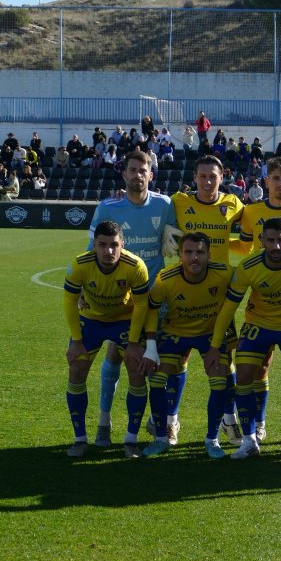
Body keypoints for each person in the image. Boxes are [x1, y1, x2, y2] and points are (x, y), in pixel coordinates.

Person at [205, 218, 281, 460]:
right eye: (270, 240)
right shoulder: (248, 266)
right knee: (243, 374)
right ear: (261, 240)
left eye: (280, 240)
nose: (275, 246)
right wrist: (214, 346)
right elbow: (228, 308)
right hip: (258, 325)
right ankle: (250, 440)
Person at [88, 151, 178, 448]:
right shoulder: (107, 208)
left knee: (158, 362)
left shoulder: (165, 206)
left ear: (151, 175)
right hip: (122, 301)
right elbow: (93, 253)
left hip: (156, 299)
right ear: (124, 174)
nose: (138, 175)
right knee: (116, 354)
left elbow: (172, 248)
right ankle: (104, 422)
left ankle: (161, 421)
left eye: (144, 170)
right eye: (133, 170)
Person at [140, 232, 233, 459]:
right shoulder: (166, 278)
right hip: (176, 333)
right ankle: (161, 437)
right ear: (180, 255)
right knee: (157, 378)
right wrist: (151, 347)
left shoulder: (225, 274)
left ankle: (213, 439)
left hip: (211, 335)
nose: (194, 258)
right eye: (188, 252)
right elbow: (151, 309)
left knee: (220, 380)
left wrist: (222, 343)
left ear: (209, 255)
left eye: (200, 252)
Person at [172, 154, 245, 443]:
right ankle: (170, 421)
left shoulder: (233, 204)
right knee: (178, 360)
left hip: (218, 297)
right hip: (184, 293)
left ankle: (230, 422)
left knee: (223, 361)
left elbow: (256, 222)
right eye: (202, 176)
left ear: (221, 177)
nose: (207, 181)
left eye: (212, 176)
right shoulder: (178, 202)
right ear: (195, 178)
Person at [63, 221, 149, 459]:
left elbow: (142, 305)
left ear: (123, 244)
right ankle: (80, 439)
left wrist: (133, 343)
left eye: (114, 245)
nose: (108, 251)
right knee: (77, 368)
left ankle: (131, 441)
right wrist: (77, 342)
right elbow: (70, 302)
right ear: (94, 246)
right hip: (91, 321)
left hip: (123, 320)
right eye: (102, 245)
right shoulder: (80, 265)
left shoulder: (135, 266)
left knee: (136, 369)